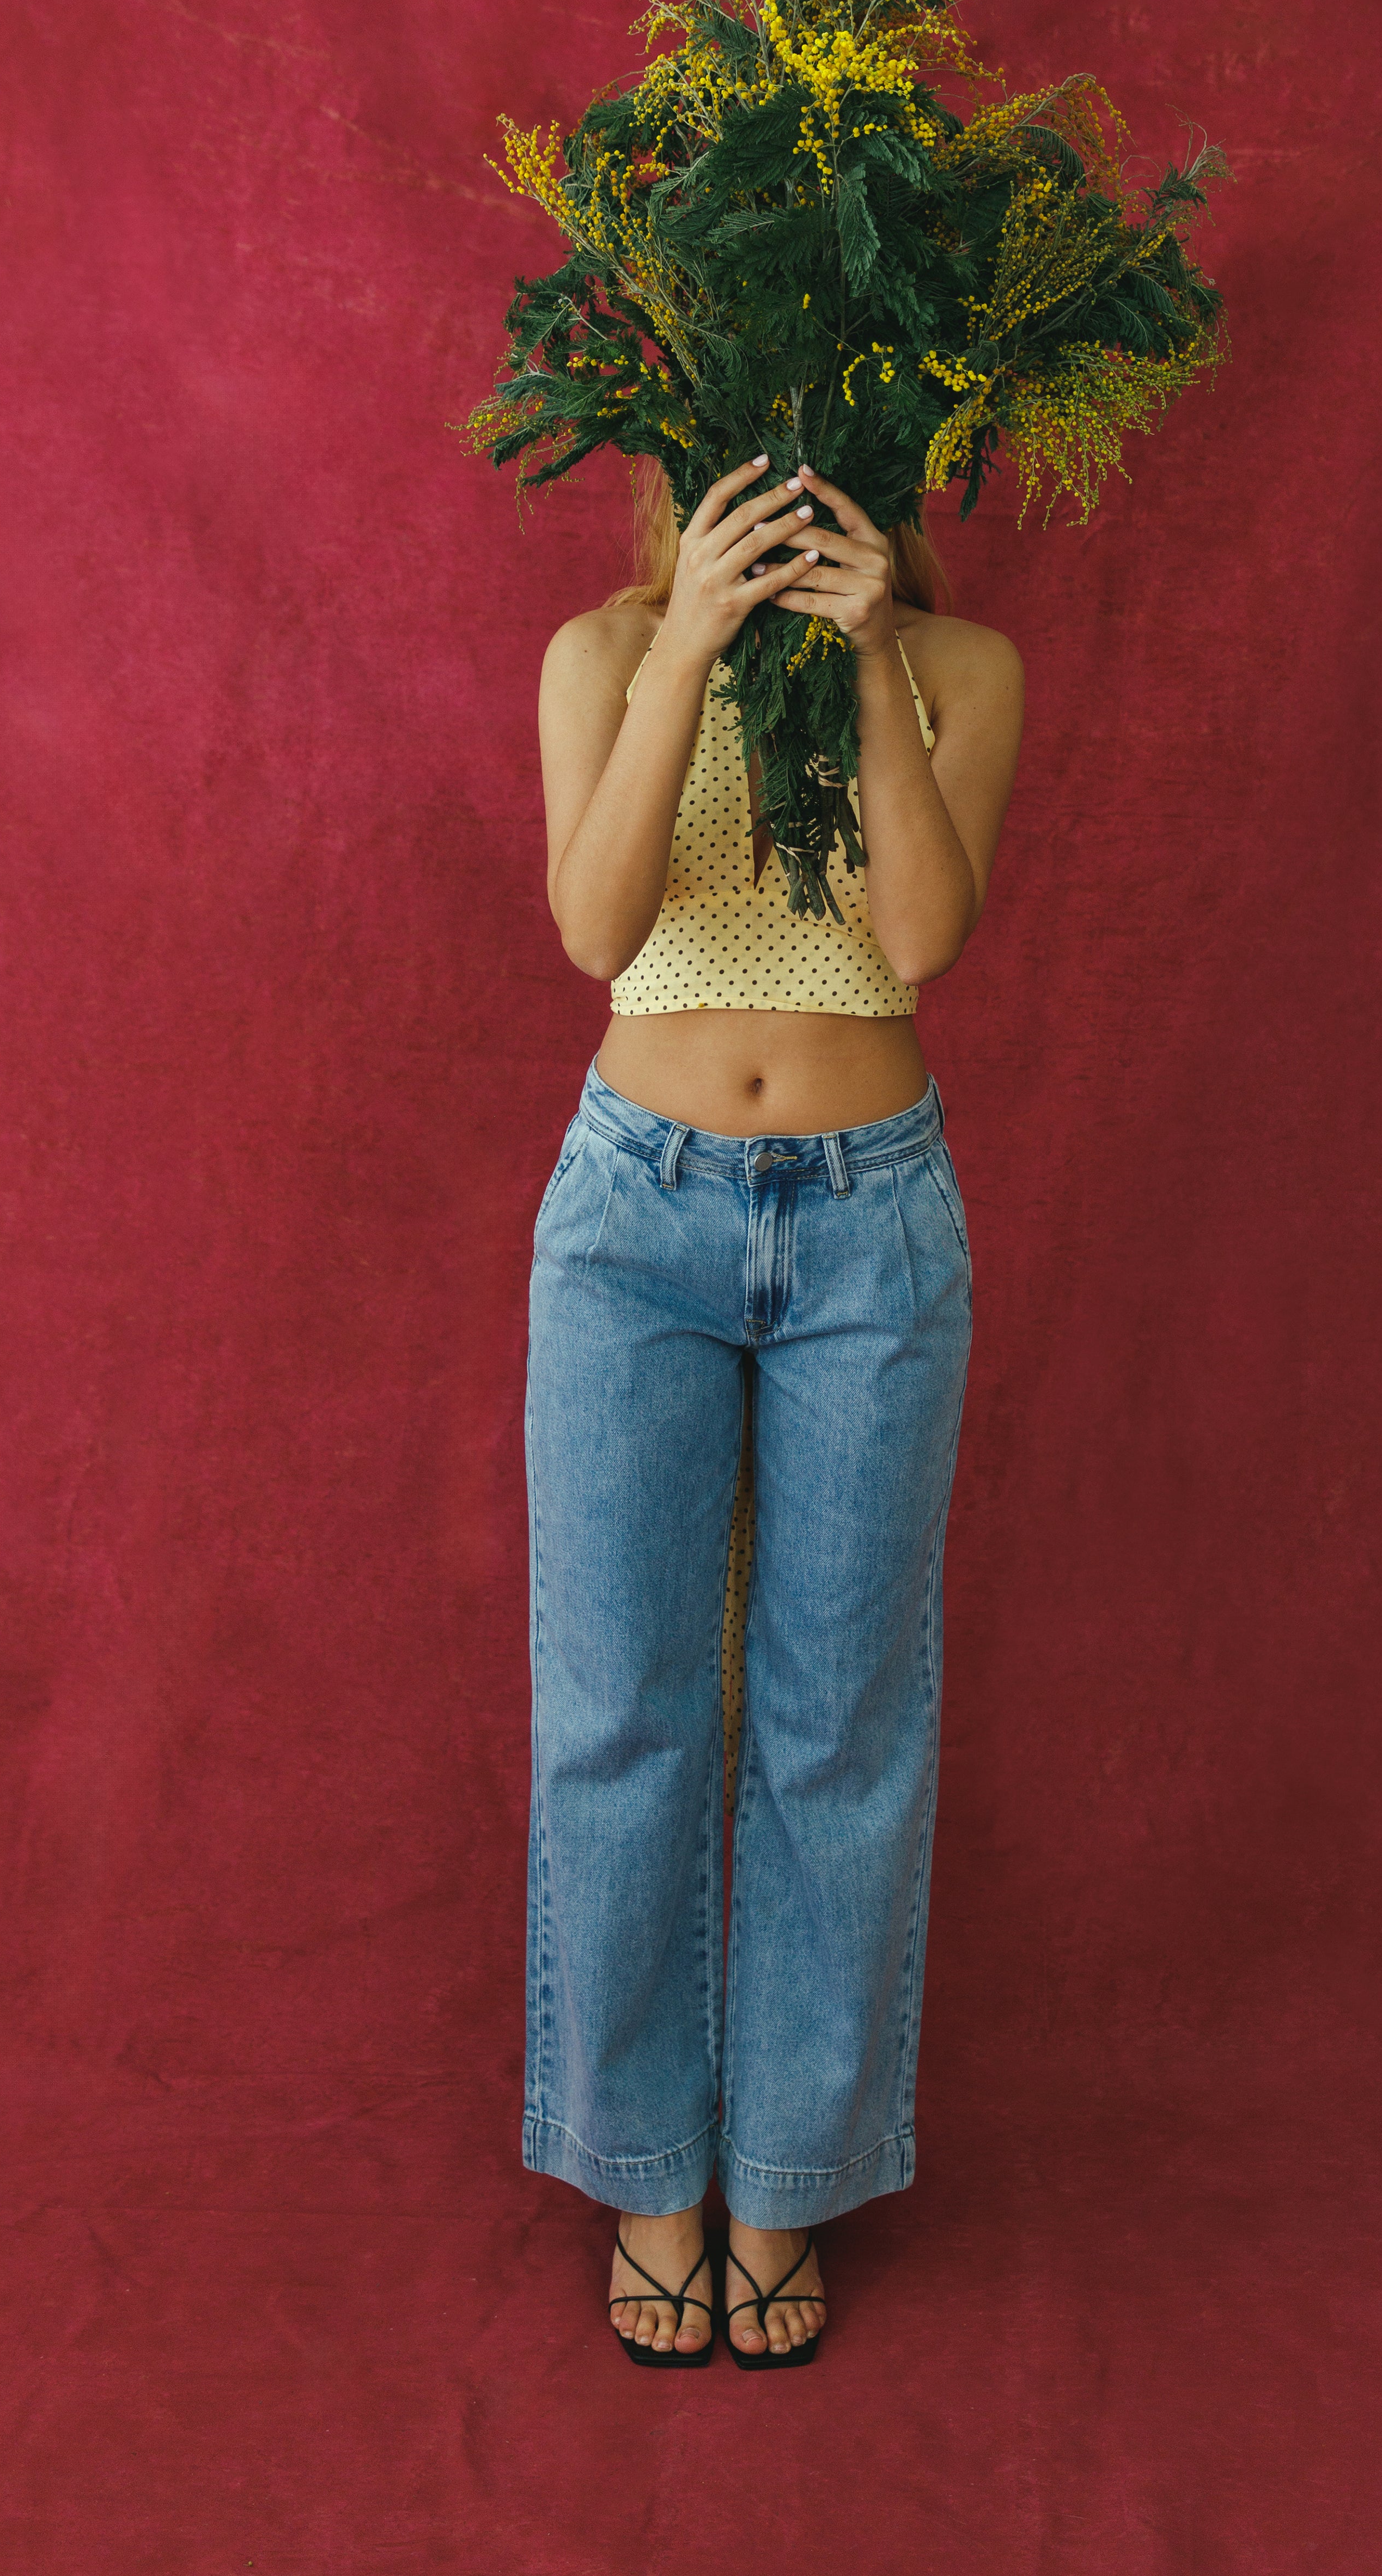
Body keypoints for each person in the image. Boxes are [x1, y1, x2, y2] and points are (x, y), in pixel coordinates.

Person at [525, 449, 1025, 2369]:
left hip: (870, 1225)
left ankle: (788, 2187)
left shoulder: (961, 666)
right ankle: (647, 2160)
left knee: (839, 1720)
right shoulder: (598, 652)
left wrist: (872, 648)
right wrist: (689, 653)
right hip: (634, 1214)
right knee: (626, 1705)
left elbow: (919, 942)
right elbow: (593, 926)